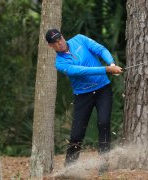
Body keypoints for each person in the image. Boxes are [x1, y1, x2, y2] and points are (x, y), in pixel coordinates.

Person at [45, 28, 122, 168]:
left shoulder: (80, 39)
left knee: (103, 124)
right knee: (76, 135)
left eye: (60, 38)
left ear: (63, 36)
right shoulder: (60, 63)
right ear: (50, 46)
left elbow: (100, 49)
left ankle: (104, 167)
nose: (59, 43)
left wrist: (111, 63)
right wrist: (106, 69)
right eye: (55, 42)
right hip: (82, 96)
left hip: (103, 89)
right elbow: (81, 71)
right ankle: (69, 170)